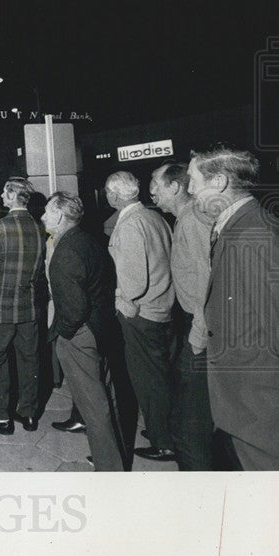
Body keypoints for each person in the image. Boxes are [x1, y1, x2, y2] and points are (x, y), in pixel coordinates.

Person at [188, 146, 279, 470]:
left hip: (269, 419)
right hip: (249, 411)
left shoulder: (257, 236)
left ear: (220, 181)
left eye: (193, 180)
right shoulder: (236, 225)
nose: (188, 190)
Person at [42, 192, 126, 471]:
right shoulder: (88, 239)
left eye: (47, 212)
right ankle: (115, 455)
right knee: (106, 400)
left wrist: (64, 334)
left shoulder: (66, 250)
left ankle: (109, 468)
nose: (42, 217)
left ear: (60, 216)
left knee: (93, 406)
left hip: (80, 334)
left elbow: (74, 308)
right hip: (101, 328)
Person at [105, 170, 177, 462]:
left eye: (108, 192)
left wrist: (119, 298)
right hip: (162, 308)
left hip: (142, 314)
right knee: (160, 375)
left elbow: (133, 283)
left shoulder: (132, 224)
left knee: (149, 382)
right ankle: (163, 429)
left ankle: (165, 442)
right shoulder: (153, 217)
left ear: (115, 195)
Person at [149, 162, 215, 470]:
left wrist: (198, 336)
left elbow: (208, 280)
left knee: (189, 429)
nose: (151, 191)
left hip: (201, 328)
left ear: (175, 187)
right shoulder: (181, 220)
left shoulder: (191, 221)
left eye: (155, 185)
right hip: (193, 323)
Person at [0, 178, 46, 434]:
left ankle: (0, 418)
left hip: (2, 306)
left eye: (5, 191)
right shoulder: (39, 227)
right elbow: (38, 271)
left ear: (13, 195)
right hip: (29, 306)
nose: (2, 195)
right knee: (29, 360)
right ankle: (29, 415)